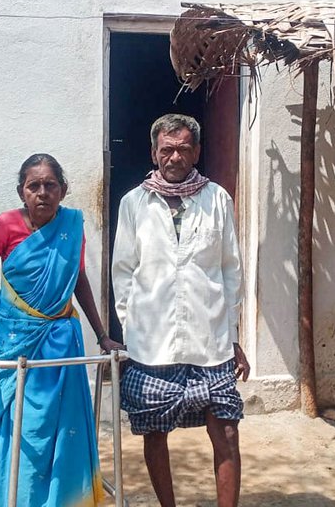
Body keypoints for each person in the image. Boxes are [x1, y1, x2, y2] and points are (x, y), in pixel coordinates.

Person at [0, 153, 123, 507]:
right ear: (22, 192)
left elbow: (77, 280)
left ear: (63, 190)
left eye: (50, 185)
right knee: (23, 429)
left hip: (62, 344)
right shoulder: (4, 226)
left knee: (64, 428)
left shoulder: (72, 226)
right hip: (14, 343)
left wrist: (102, 334)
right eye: (34, 186)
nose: (42, 193)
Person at [112, 114, 250, 507]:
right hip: (151, 345)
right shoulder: (134, 203)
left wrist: (233, 334)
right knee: (154, 434)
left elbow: (230, 271)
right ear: (154, 152)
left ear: (197, 152)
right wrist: (132, 325)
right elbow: (122, 271)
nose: (175, 157)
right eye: (167, 149)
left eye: (184, 148)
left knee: (226, 433)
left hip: (211, 342)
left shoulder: (217, 199)